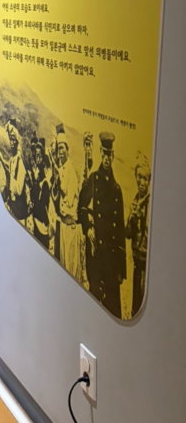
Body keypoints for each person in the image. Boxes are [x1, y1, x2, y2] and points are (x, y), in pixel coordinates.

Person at [78, 132, 126, 317]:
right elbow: (81, 208)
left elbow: (120, 231)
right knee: (94, 309)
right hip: (96, 255)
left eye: (109, 154)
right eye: (104, 154)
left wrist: (121, 269)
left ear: (113, 156)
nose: (106, 158)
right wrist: (88, 227)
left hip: (112, 262)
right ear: (100, 152)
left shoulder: (117, 189)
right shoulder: (93, 180)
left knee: (112, 310)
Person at [51, 124, 84, 282]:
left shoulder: (70, 171)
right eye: (58, 149)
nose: (60, 152)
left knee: (71, 270)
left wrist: (59, 180)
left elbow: (70, 200)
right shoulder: (61, 169)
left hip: (70, 228)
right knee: (62, 267)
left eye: (62, 148)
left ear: (67, 150)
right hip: (62, 226)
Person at [126, 154, 151, 317]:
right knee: (136, 301)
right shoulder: (134, 202)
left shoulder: (151, 204)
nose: (141, 182)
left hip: (147, 263)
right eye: (139, 177)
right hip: (136, 260)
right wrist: (132, 218)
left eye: (145, 179)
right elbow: (127, 234)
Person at [28, 137, 51, 249]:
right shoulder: (35, 174)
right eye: (36, 156)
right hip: (36, 218)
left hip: (42, 221)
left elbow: (43, 202)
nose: (38, 159)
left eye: (40, 156)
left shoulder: (44, 178)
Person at [6, 120, 28, 223]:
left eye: (13, 139)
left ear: (16, 142)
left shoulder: (19, 161)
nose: (11, 142)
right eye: (10, 139)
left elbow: (19, 190)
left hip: (20, 212)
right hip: (13, 209)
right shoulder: (11, 160)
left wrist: (10, 179)